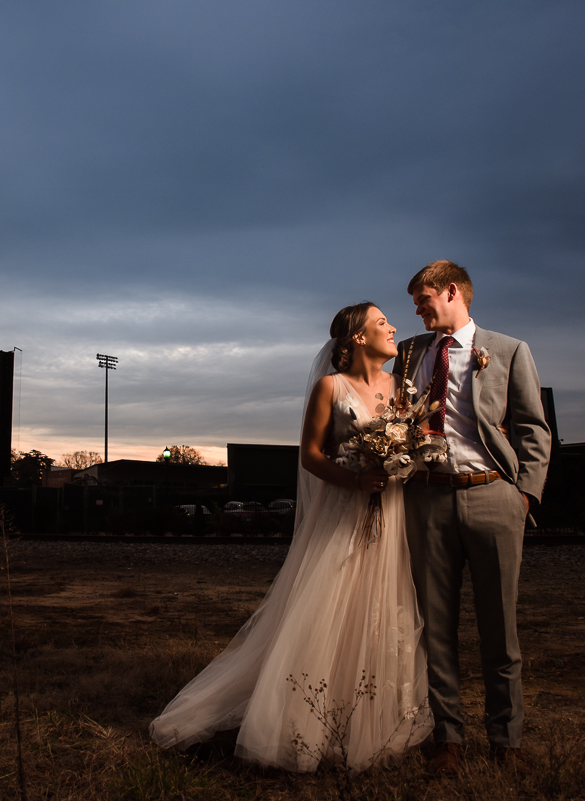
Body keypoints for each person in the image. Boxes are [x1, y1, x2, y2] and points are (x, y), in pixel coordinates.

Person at [149, 302, 433, 772]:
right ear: (358, 337)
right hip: (343, 508)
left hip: (390, 510)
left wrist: (403, 460)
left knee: (381, 607)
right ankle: (306, 721)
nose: (393, 328)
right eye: (382, 322)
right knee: (330, 605)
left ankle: (373, 722)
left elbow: (412, 441)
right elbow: (310, 456)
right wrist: (357, 480)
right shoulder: (330, 387)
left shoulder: (402, 389)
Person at [393, 261, 551, 775]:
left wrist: (523, 494)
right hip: (427, 500)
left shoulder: (508, 350)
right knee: (433, 627)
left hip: (492, 497)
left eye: (423, 300)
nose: (416, 311)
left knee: (499, 629)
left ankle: (507, 743)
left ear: (452, 292)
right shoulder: (409, 353)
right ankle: (448, 740)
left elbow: (533, 428)